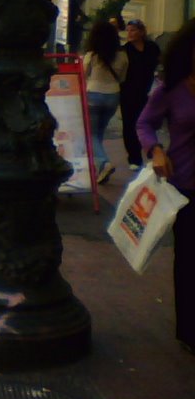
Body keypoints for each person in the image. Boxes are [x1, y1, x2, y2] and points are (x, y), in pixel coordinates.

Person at [137, 18, 195, 355]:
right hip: (186, 185)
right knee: (189, 257)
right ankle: (189, 328)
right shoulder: (172, 88)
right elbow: (144, 123)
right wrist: (155, 149)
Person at [83, 19, 128, 184]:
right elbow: (123, 77)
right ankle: (99, 169)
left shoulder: (92, 55)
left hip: (93, 94)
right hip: (113, 96)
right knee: (99, 132)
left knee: (90, 134)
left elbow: (83, 75)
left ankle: (103, 162)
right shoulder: (122, 55)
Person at [120, 18, 161, 171]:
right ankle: (134, 158)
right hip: (128, 92)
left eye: (133, 30)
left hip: (147, 91)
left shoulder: (152, 47)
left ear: (142, 32)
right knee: (129, 124)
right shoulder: (125, 50)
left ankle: (152, 153)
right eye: (128, 30)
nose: (130, 33)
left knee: (146, 122)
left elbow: (159, 64)